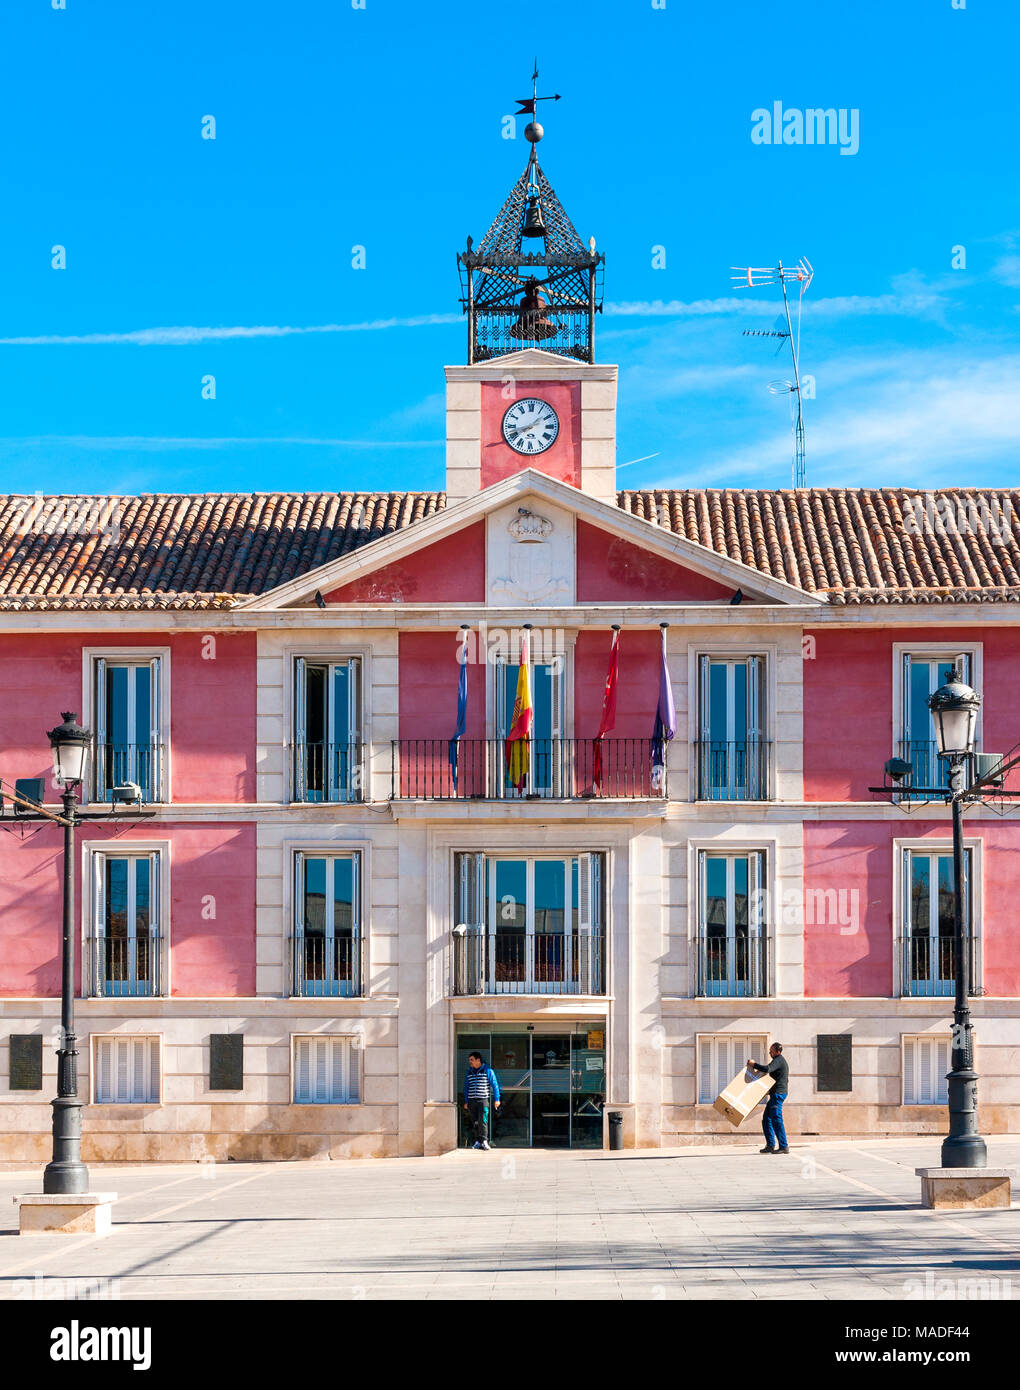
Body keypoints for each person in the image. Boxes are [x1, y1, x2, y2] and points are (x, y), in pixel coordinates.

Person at [748, 1043, 789, 1154]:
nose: (770, 1053)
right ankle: (770, 1145)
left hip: (778, 1094)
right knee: (766, 1119)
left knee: (776, 1120)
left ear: (778, 1052)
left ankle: (784, 1146)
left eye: (771, 1051)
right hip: (775, 1094)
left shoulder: (778, 1060)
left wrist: (754, 1064)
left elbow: (767, 1069)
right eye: (770, 1051)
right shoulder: (778, 1060)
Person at [463, 1051, 501, 1150]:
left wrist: (497, 1099)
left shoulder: (488, 1070)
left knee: (483, 1121)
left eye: (472, 1060)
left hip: (483, 1100)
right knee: (475, 1122)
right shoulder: (469, 1072)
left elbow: (495, 1085)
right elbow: (466, 1087)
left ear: (478, 1060)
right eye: (469, 1060)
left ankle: (484, 1141)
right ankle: (478, 1141)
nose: (470, 1062)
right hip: (472, 1101)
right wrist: (466, 1101)